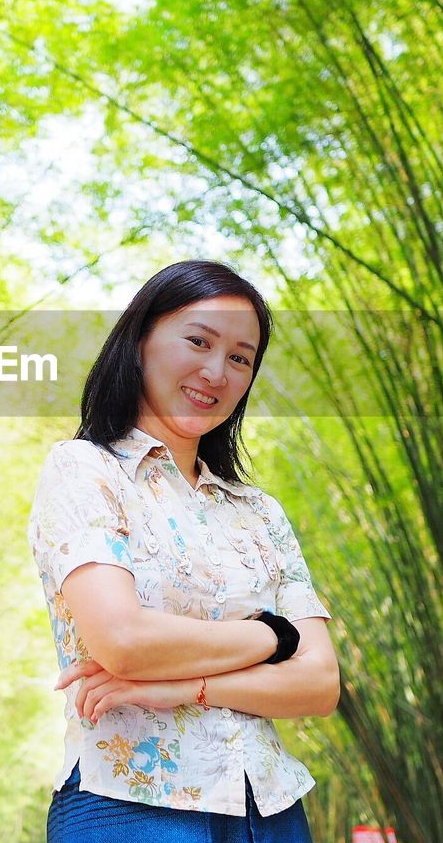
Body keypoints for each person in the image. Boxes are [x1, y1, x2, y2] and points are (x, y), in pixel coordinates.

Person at [27, 260, 339, 843]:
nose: (216, 371)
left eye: (241, 358)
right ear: (140, 339)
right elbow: (124, 642)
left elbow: (319, 685)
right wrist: (275, 637)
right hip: (132, 804)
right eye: (198, 341)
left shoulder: (259, 513)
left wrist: (178, 687)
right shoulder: (85, 470)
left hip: (270, 811)